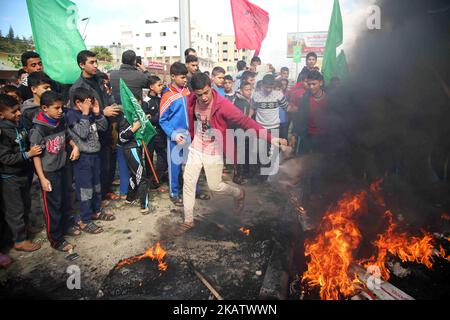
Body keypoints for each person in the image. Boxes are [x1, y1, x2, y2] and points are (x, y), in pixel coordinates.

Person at [175, 73, 287, 235]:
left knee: (215, 186)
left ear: (211, 86)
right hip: (196, 147)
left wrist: (271, 138)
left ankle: (238, 193)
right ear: (194, 93)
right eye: (199, 95)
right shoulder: (191, 100)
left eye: (206, 92)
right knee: (188, 181)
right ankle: (188, 220)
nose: (204, 97)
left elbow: (246, 122)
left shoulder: (223, 105)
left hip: (214, 150)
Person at [30, 91, 81, 252]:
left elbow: (66, 136)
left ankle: (66, 227)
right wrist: (42, 178)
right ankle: (55, 239)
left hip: (63, 167)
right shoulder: (38, 129)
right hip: (49, 172)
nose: (60, 111)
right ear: (45, 108)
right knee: (53, 205)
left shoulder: (59, 121)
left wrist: (75, 146)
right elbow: (36, 155)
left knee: (66, 199)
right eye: (56, 108)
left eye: (62, 107)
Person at [70, 50, 121, 203]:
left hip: (107, 126)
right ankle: (94, 201)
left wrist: (112, 107)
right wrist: (101, 113)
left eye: (96, 62)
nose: (95, 65)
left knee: (109, 162)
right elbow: (79, 115)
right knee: (98, 167)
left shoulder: (99, 79)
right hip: (93, 132)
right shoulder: (77, 88)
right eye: (91, 63)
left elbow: (106, 97)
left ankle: (106, 190)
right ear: (81, 65)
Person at [67, 87, 115, 235]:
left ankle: (96, 210)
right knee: (85, 190)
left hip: (95, 155)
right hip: (83, 159)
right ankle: (85, 219)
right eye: (88, 103)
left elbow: (103, 127)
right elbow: (82, 133)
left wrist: (97, 113)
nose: (91, 104)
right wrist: (86, 114)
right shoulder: (72, 115)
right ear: (78, 103)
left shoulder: (89, 114)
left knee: (96, 185)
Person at [0, 94, 42, 252]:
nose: (18, 113)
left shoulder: (19, 123)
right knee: (15, 209)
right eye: (13, 111)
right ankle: (19, 239)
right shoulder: (3, 132)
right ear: (1, 114)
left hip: (24, 172)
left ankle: (25, 227)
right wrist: (28, 155)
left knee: (26, 204)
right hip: (11, 177)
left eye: (18, 109)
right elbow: (5, 158)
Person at [159, 62, 191, 206]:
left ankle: (192, 191)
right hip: (176, 136)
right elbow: (162, 120)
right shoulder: (167, 96)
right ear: (173, 76)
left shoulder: (187, 92)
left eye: (186, 77)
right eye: (182, 77)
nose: (185, 80)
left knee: (191, 166)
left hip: (190, 134)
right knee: (175, 167)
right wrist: (173, 135)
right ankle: (174, 193)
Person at [250, 75, 289, 180]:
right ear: (262, 85)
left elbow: (286, 107)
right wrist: (247, 120)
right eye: (266, 87)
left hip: (274, 127)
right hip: (260, 127)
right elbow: (252, 109)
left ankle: (271, 177)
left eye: (271, 87)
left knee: (273, 152)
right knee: (261, 151)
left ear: (273, 85)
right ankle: (263, 174)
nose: (268, 89)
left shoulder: (279, 94)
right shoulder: (256, 95)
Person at [117, 112, 151, 214]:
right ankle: (144, 205)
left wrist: (144, 119)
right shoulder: (126, 118)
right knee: (141, 176)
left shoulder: (135, 116)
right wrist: (134, 127)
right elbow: (121, 138)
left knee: (134, 174)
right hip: (131, 149)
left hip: (135, 148)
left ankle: (130, 198)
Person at [142, 76, 168, 185]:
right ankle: (149, 177)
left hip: (160, 133)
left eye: (162, 85)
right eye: (159, 85)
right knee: (149, 156)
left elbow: (161, 116)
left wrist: (153, 118)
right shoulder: (145, 101)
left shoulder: (161, 99)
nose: (161, 87)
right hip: (149, 133)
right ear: (151, 87)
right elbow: (143, 118)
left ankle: (159, 176)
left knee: (163, 156)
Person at [229, 81, 255, 184]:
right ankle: (238, 177)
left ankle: (243, 174)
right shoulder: (241, 102)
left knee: (244, 154)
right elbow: (241, 120)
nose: (249, 92)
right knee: (240, 155)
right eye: (246, 90)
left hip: (243, 132)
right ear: (241, 90)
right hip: (240, 132)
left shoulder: (243, 100)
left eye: (250, 89)